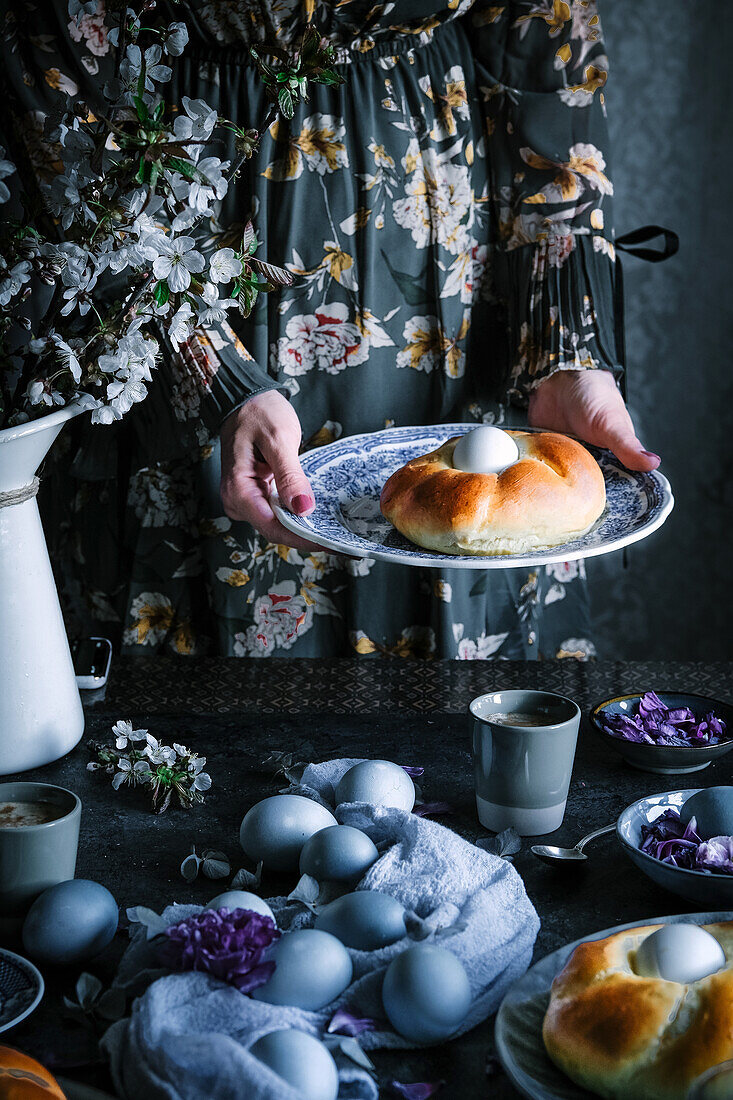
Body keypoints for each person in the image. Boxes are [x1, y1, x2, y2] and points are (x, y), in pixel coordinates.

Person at [2, 0, 660, 659]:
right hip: (180, 218)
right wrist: (210, 375)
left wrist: (567, 351)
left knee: (463, 540)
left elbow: (550, 58)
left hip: (448, 258)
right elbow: (59, 111)